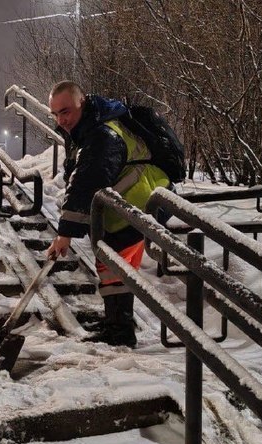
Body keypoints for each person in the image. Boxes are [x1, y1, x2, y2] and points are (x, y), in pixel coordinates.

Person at [46, 81, 171, 348]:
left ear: (82, 102)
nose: (61, 120)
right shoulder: (87, 127)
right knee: (111, 263)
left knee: (117, 263)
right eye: (55, 114)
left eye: (65, 111)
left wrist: (65, 233)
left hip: (140, 200)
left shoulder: (102, 134)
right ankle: (117, 325)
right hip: (124, 203)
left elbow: (87, 180)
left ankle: (121, 331)